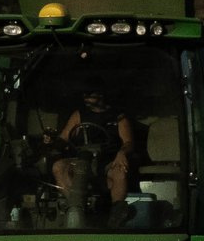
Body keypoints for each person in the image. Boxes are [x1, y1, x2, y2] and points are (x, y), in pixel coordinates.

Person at [50, 87, 139, 221]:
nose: (86, 98)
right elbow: (63, 138)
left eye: (90, 94)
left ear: (101, 94)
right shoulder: (79, 115)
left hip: (108, 162)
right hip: (81, 160)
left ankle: (117, 213)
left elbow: (128, 142)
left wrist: (122, 153)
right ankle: (74, 205)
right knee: (58, 167)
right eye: (85, 95)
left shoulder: (119, 117)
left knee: (120, 171)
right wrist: (51, 142)